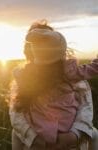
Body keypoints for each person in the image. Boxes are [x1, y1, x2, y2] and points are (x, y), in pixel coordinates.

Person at [9, 21, 98, 150]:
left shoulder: (25, 76)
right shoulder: (71, 73)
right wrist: (35, 138)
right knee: (94, 133)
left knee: (15, 134)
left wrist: (74, 133)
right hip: (55, 135)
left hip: (48, 135)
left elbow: (85, 106)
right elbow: (17, 113)